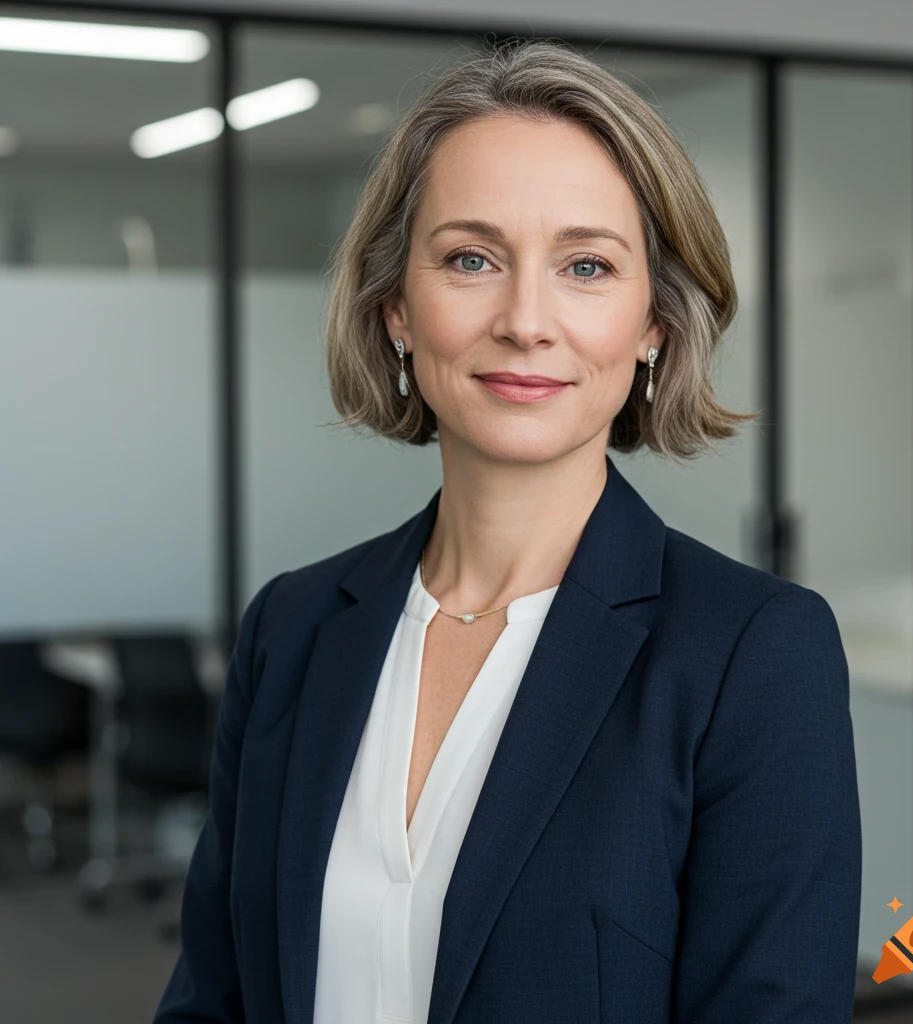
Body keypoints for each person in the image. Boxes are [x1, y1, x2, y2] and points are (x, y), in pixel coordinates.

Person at [154, 37, 861, 1024]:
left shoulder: (751, 652)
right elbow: (212, 997)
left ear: (652, 324)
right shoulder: (292, 628)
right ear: (397, 309)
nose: (526, 320)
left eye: (586, 265)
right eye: (471, 259)